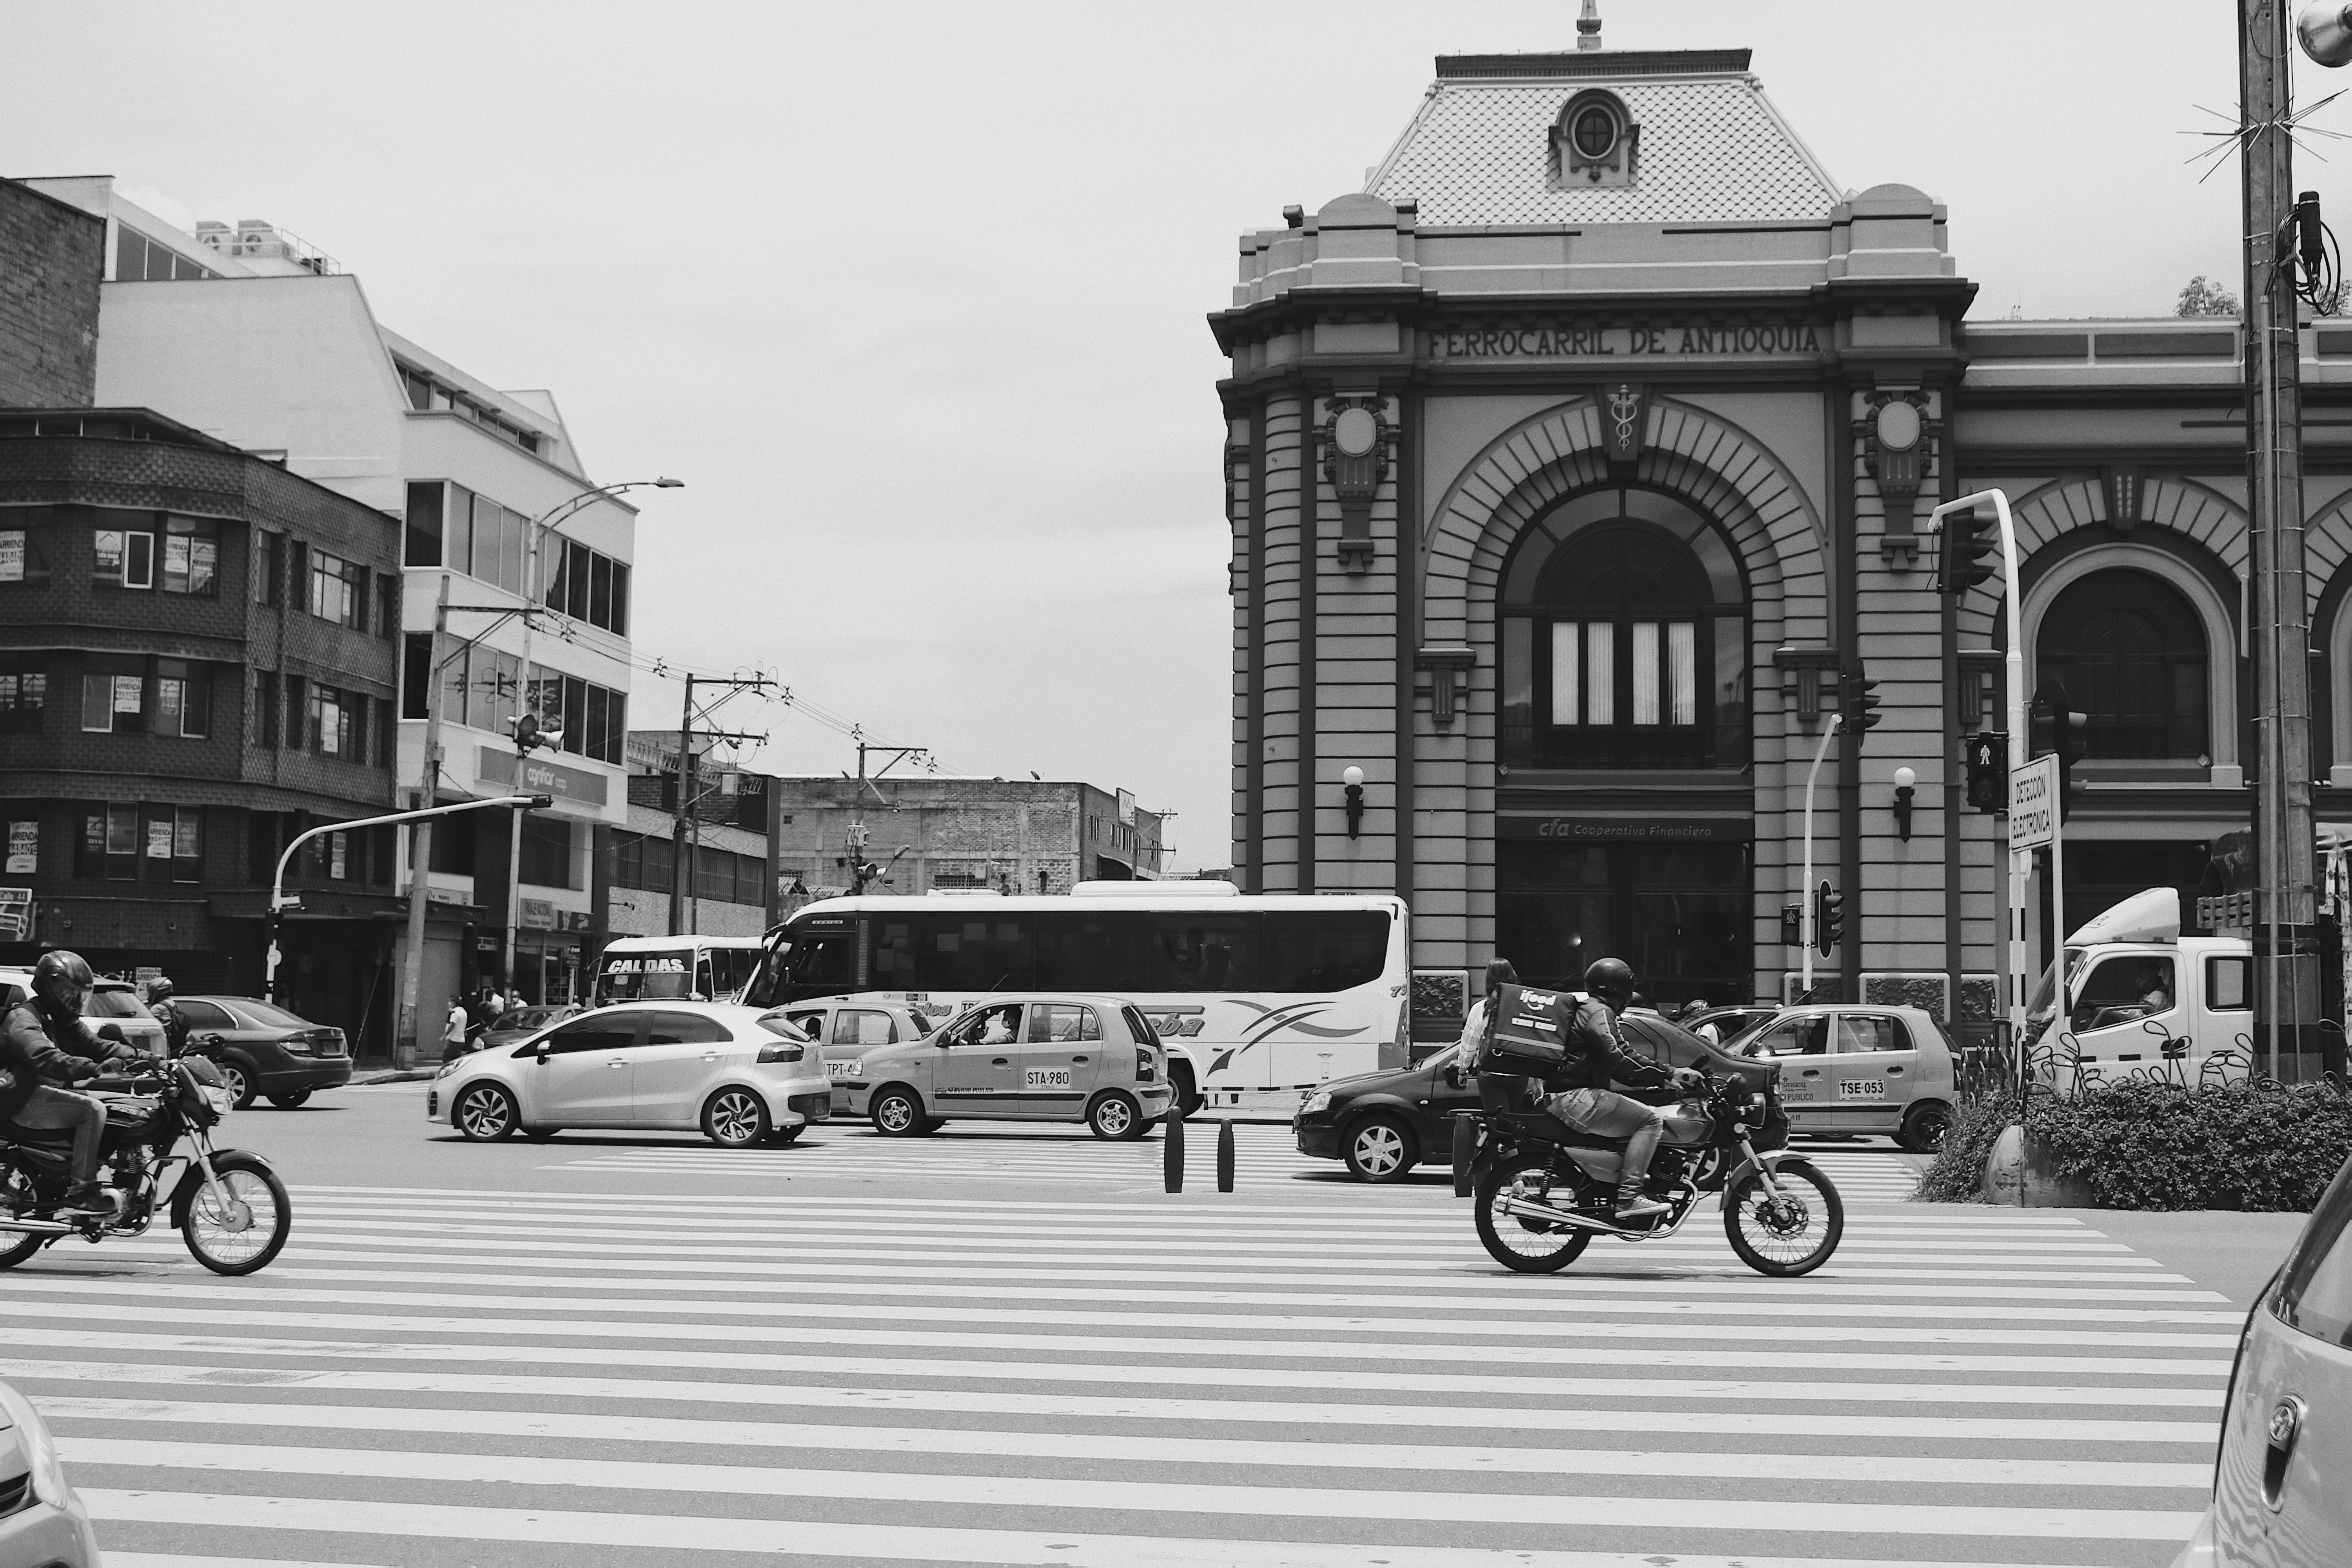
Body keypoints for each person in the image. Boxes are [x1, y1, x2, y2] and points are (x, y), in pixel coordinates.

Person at [1535, 956, 1703, 1222]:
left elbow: (1616, 1068)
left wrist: (1664, 1082)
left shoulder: (1591, 1010)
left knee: (1644, 1114)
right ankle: (1629, 1198)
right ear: (1618, 989)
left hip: (1571, 1095)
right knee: (1651, 1121)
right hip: (1576, 1097)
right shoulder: (1599, 1013)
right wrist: (1669, 1073)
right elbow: (1620, 1055)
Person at [1, 951, 145, 1219]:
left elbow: (99, 1046)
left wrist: (147, 1058)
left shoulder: (64, 1021)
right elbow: (46, 1058)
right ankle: (81, 1192)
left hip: (49, 1092)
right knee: (93, 1110)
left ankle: (103, 1165)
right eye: (69, 994)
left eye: (80, 995)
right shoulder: (25, 1019)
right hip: (21, 1098)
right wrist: (94, 1068)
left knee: (123, 1106)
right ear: (48, 988)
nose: (75, 1001)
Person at [1452, 958, 1519, 1073]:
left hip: (1490, 1072)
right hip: (1518, 1074)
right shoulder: (1521, 1008)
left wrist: (1462, 1071)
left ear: (1488, 981)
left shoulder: (1480, 1010)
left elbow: (1469, 1047)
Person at [146, 975, 189, 1058]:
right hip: (175, 1043)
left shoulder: (158, 1008)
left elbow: (148, 1025)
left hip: (164, 1044)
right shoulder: (174, 1004)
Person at [443, 994, 470, 1062]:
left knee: (447, 1058)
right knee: (456, 1059)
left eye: (450, 1002)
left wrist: (445, 1035)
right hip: (461, 1040)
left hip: (453, 1039)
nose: (448, 1004)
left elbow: (452, 1025)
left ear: (453, 1003)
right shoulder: (464, 1012)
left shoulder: (455, 1012)